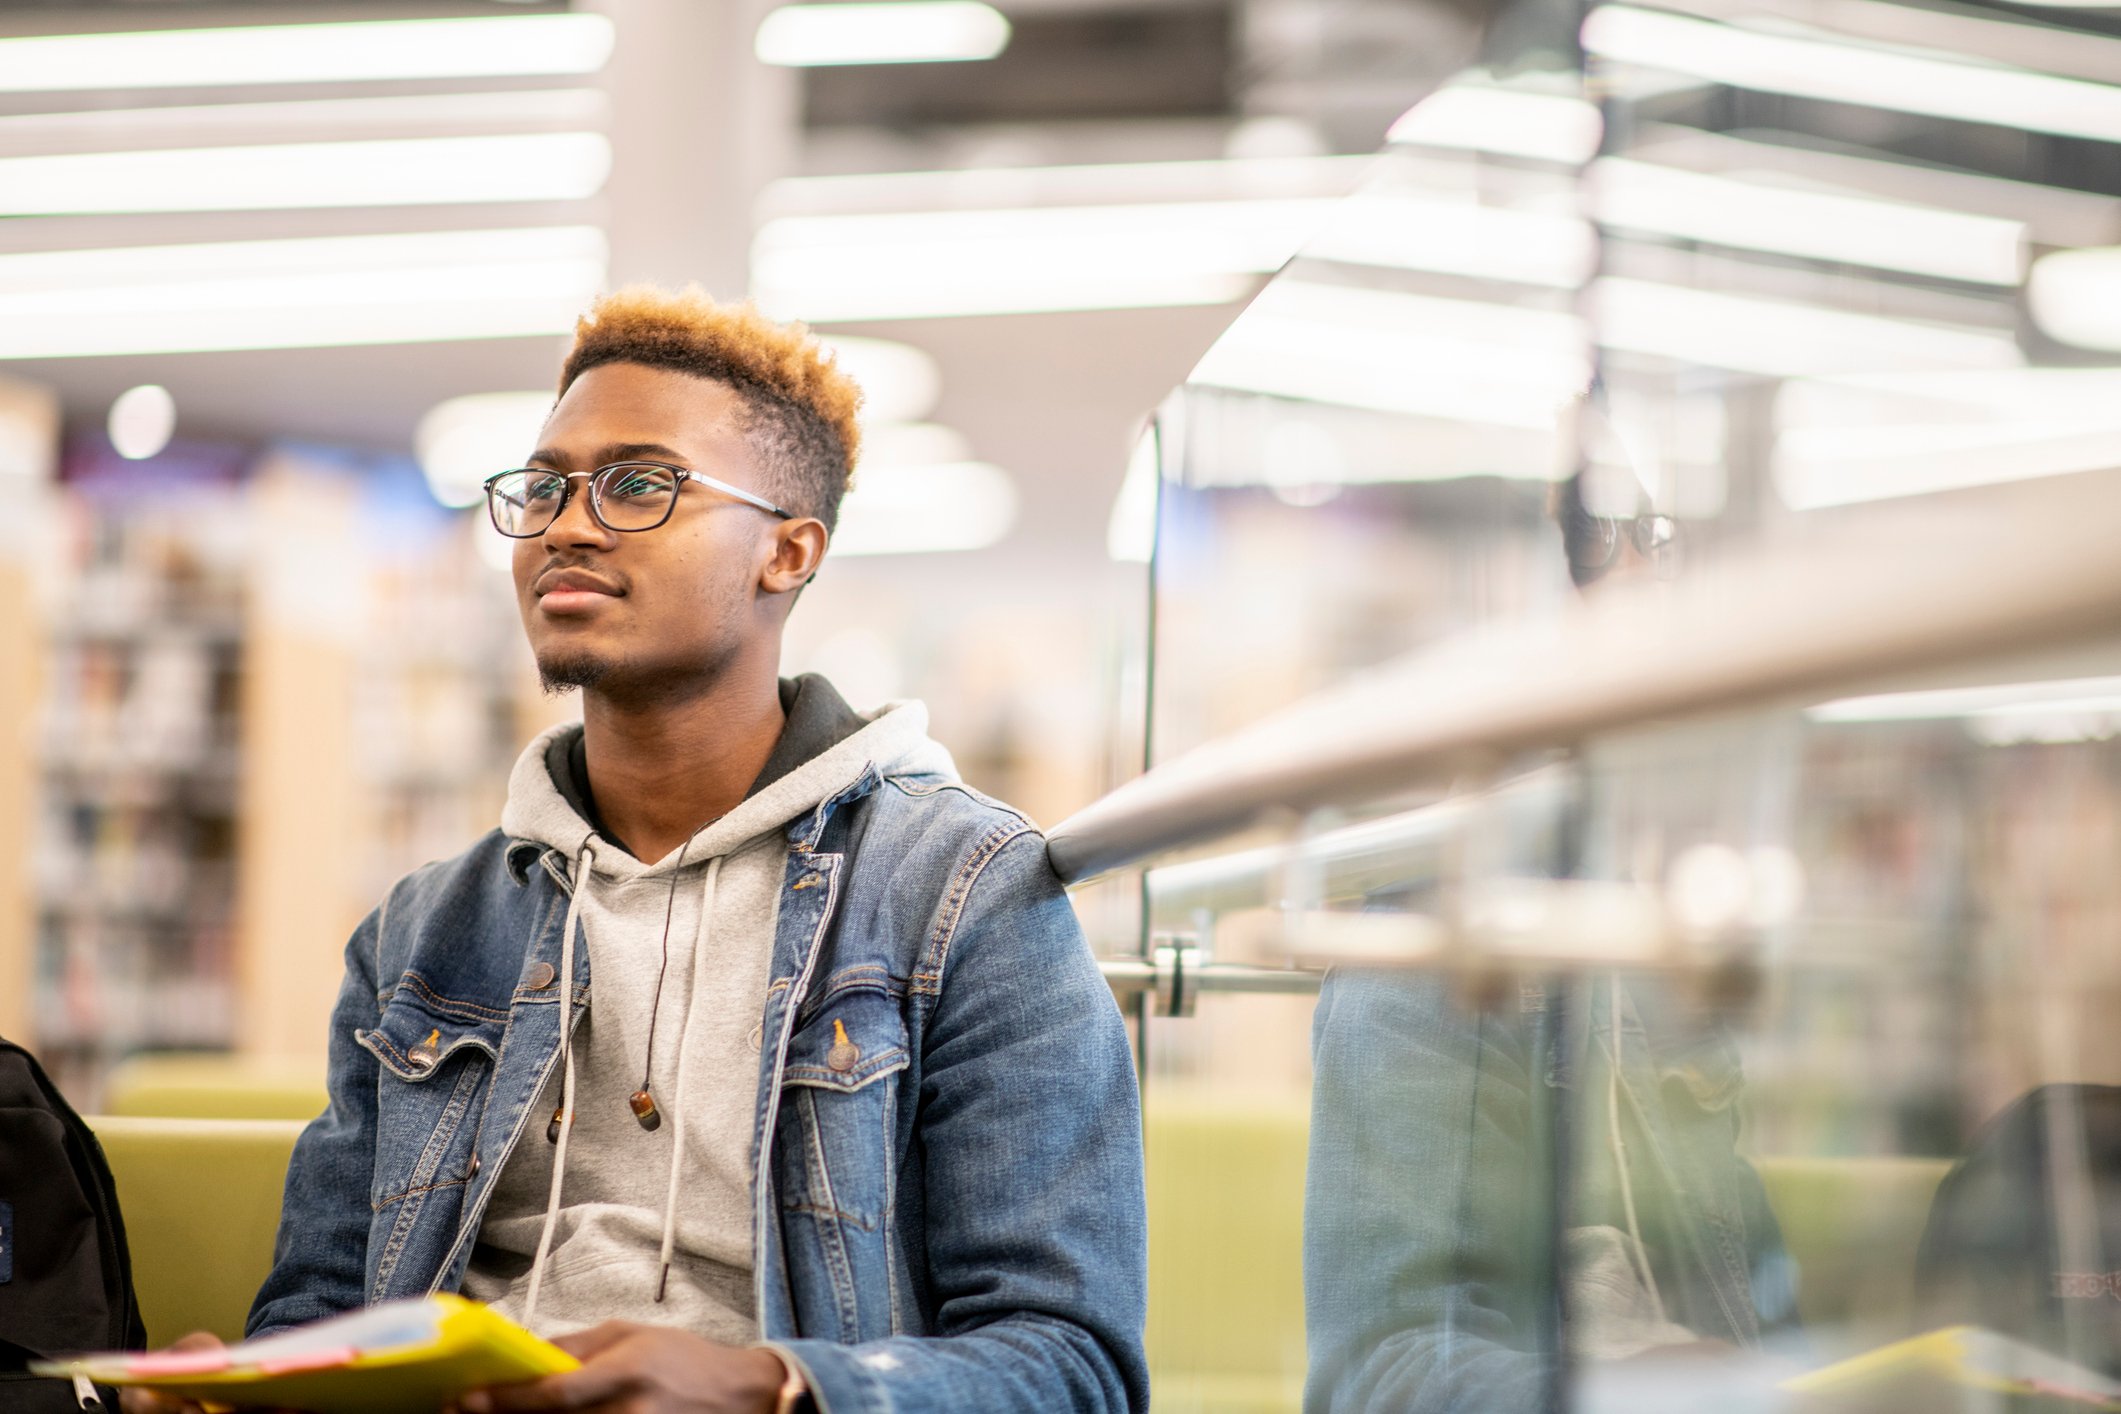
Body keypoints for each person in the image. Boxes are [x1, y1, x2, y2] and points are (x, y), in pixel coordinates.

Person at [126, 287, 1147, 1414]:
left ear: (788, 552)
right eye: (547, 486)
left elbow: (1074, 1365)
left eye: (640, 484)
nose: (567, 524)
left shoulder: (961, 894)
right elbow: (322, 1309)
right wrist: (250, 1384)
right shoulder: (427, 928)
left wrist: (768, 1384)